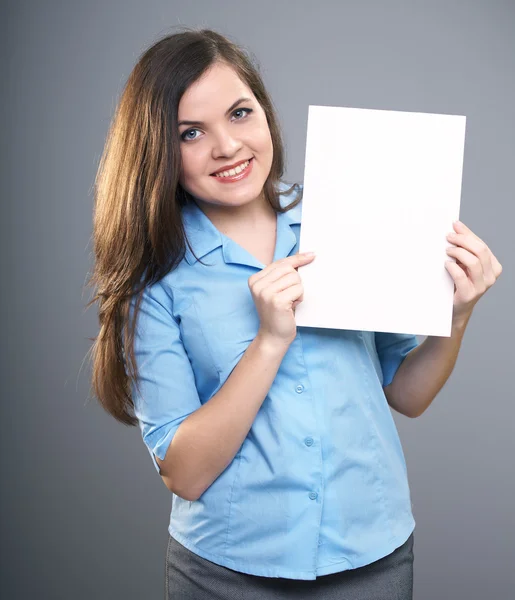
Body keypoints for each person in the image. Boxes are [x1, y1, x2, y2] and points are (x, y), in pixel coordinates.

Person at [86, 27, 502, 600]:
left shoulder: (346, 217)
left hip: (373, 557)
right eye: (190, 133)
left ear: (264, 110)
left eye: (239, 113)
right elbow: (183, 472)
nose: (227, 146)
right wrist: (269, 342)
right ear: (157, 149)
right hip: (225, 572)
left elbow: (406, 394)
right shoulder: (154, 278)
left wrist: (456, 316)